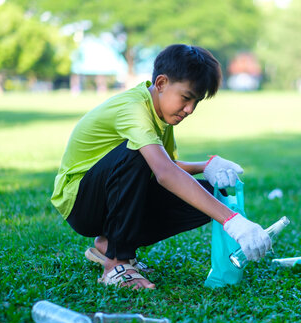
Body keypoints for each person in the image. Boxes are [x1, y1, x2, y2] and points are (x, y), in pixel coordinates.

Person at [51, 44, 271, 291]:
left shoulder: (162, 118)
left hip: (106, 197)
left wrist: (205, 167)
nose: (189, 110)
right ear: (162, 83)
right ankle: (116, 263)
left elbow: (166, 166)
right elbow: (163, 172)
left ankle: (107, 244)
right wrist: (233, 221)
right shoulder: (134, 108)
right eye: (186, 98)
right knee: (138, 155)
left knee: (209, 194)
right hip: (80, 202)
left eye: (195, 102)